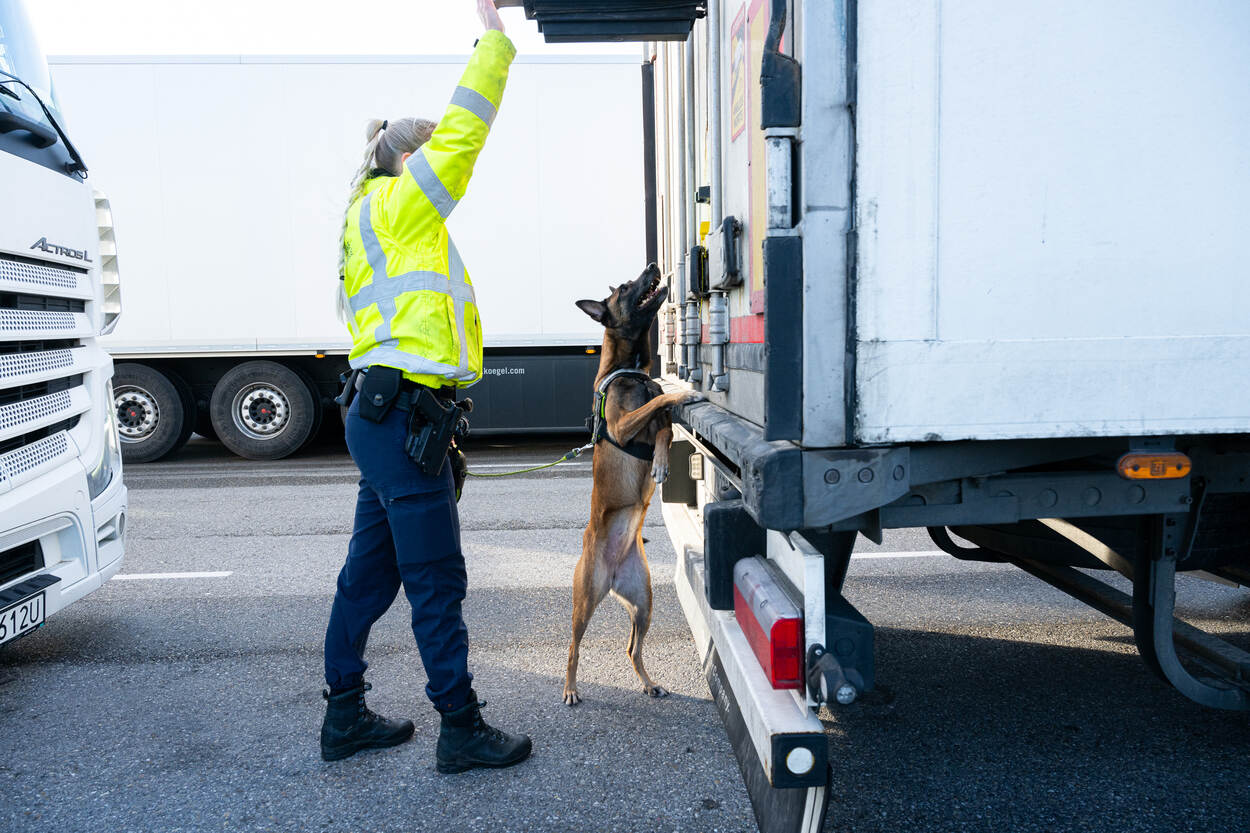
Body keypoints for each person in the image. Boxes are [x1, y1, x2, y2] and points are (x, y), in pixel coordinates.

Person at [320, 0, 531, 774]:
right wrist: (494, 44)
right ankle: (462, 727)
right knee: (435, 577)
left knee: (368, 576)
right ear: (407, 162)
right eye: (429, 156)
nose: (442, 168)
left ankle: (343, 716)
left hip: (388, 416)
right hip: (400, 414)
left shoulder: (369, 216)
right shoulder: (400, 208)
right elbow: (466, 132)